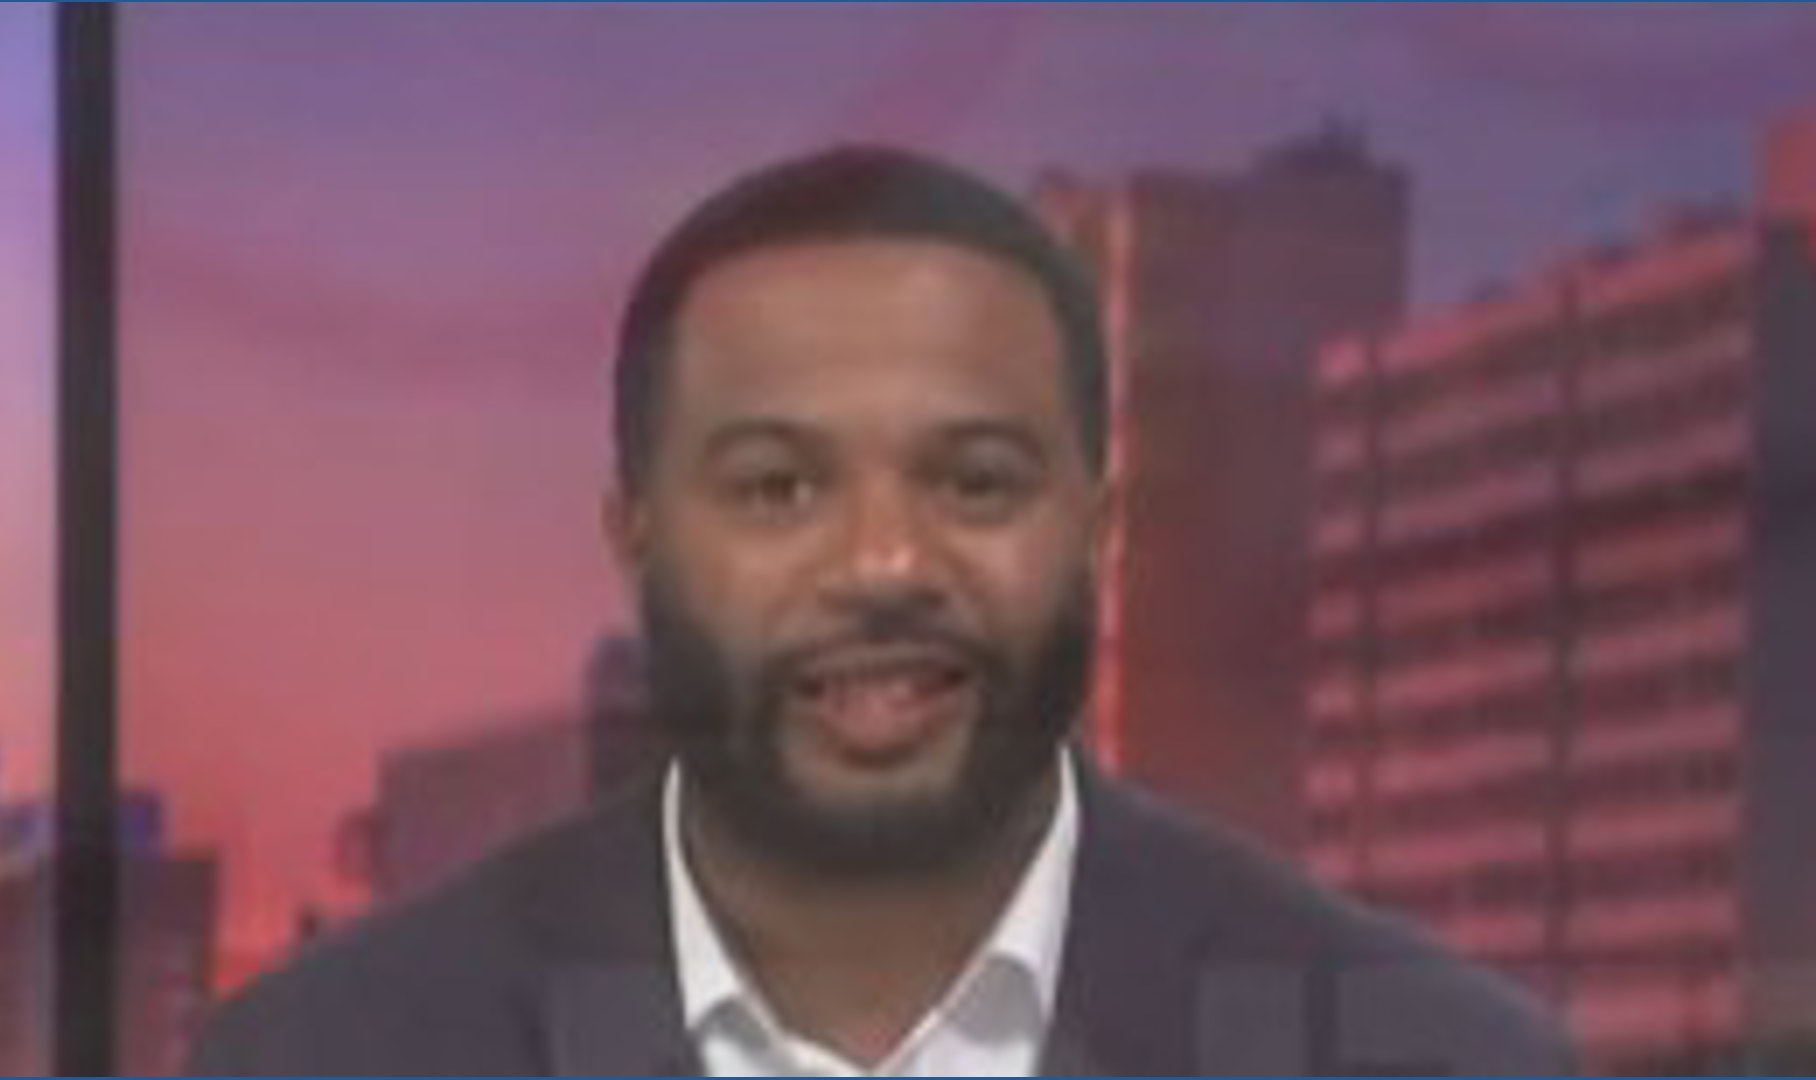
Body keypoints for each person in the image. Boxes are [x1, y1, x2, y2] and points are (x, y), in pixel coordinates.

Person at [189, 146, 1574, 1077]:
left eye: (975, 482)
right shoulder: (329, 1059)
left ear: (1097, 532)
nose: (887, 562)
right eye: (779, 487)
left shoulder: (1431, 1060)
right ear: (636, 538)